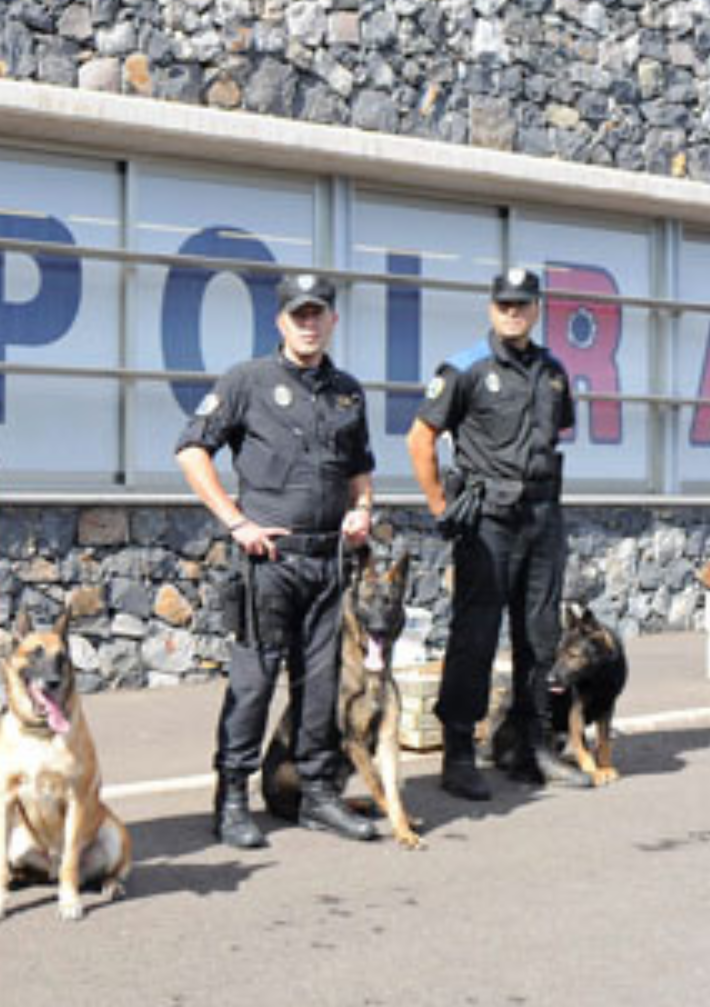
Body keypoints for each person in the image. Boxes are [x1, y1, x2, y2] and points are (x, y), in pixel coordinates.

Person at [175, 273, 379, 849]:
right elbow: (192, 450)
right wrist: (235, 520)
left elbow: (359, 467)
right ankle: (232, 798)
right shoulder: (248, 381)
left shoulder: (347, 392)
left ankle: (315, 793)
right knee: (255, 682)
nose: (308, 323)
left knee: (321, 686)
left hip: (328, 562)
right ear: (280, 321)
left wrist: (362, 508)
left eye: (318, 313)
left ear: (333, 320)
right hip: (269, 562)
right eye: (299, 314)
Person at [407, 268, 589, 799]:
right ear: (492, 308)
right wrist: (442, 506)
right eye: (504, 304)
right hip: (489, 522)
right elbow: (421, 439)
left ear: (536, 308)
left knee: (540, 637)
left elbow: (553, 435)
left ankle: (532, 747)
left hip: (542, 516)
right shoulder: (466, 369)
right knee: (475, 638)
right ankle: (459, 754)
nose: (513, 312)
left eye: (522, 304)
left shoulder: (553, 372)